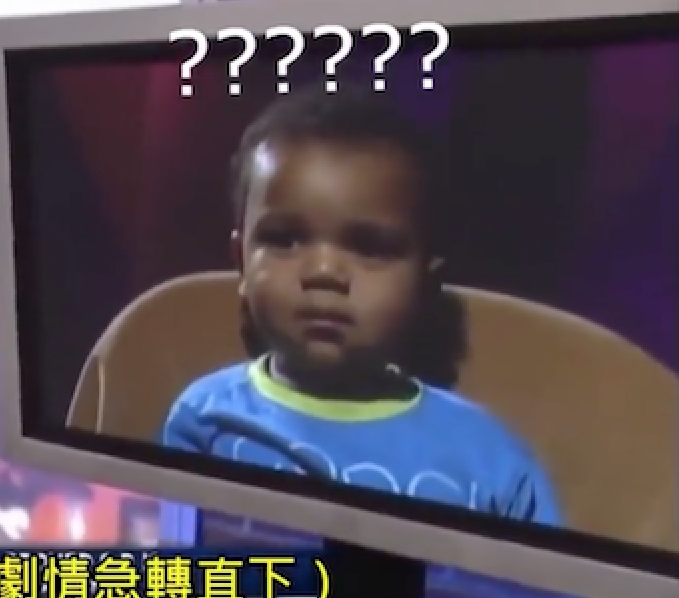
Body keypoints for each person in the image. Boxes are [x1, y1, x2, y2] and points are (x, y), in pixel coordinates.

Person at [159, 90, 562, 525]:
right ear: (241, 263)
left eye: (370, 247)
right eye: (285, 240)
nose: (324, 272)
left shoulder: (492, 463)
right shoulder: (204, 418)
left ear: (425, 281)